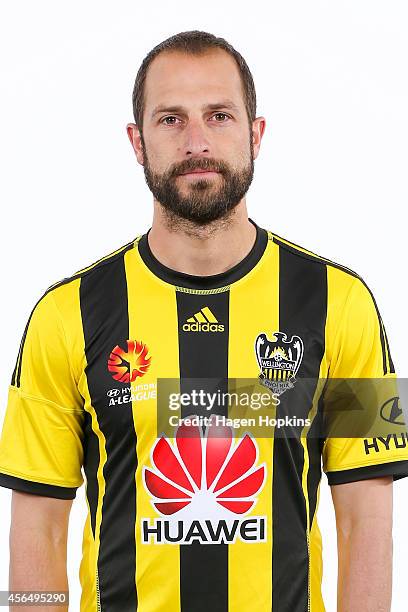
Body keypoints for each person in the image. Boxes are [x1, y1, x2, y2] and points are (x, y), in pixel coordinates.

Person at [0, 29, 407, 612]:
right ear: (137, 142)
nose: (197, 141)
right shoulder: (63, 314)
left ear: (255, 134)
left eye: (219, 116)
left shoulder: (345, 303)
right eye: (170, 119)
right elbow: (35, 524)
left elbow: (368, 519)